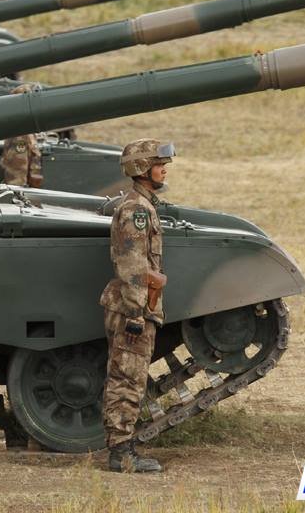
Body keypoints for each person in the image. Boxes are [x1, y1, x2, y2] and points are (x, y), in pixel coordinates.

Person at [100, 138, 175, 474]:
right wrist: (135, 314)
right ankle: (121, 454)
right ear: (142, 168)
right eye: (159, 163)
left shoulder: (142, 205)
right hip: (133, 309)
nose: (164, 169)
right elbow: (132, 268)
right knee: (126, 380)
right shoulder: (137, 211)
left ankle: (124, 447)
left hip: (139, 306)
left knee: (131, 377)